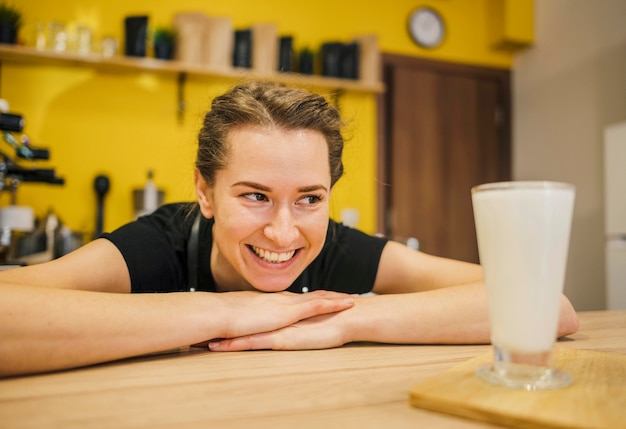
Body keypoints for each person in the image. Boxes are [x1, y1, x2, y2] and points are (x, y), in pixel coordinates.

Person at [0, 81, 579, 377]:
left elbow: (549, 306)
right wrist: (226, 312)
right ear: (204, 190)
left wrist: (348, 322)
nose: (284, 232)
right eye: (255, 196)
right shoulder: (156, 244)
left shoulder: (335, 251)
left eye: (309, 199)